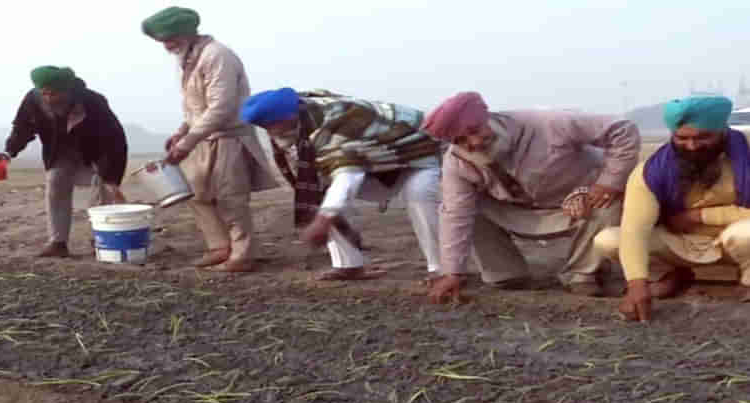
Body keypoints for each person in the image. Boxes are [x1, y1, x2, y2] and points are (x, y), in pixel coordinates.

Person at [425, 92, 641, 303]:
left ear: (486, 117)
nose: (474, 143)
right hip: (517, 211)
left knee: (610, 200)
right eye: (460, 140)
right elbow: (455, 213)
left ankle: (582, 273)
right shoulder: (456, 161)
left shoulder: (549, 123)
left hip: (579, 203)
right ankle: (506, 273)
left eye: (474, 131)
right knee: (468, 208)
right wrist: (452, 273)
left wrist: (607, 183)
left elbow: (622, 129)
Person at [240, 88, 443, 280]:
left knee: (419, 194)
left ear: (287, 118)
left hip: (416, 150)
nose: (268, 132)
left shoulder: (337, 122)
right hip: (369, 157)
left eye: (269, 126)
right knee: (321, 193)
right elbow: (311, 175)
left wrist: (323, 219)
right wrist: (321, 209)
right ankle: (349, 265)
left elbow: (347, 175)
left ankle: (441, 269)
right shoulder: (296, 116)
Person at [142, 6, 279, 272]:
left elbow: (221, 107)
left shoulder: (218, 55)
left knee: (231, 198)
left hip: (229, 137)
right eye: (163, 41)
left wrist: (187, 141)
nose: (167, 46)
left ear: (187, 33)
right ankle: (219, 247)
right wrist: (182, 131)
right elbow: (195, 105)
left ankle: (242, 255)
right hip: (201, 136)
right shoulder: (187, 58)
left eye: (170, 39)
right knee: (197, 194)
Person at [594, 96, 750, 322]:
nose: (692, 146)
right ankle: (669, 276)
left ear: (722, 131)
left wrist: (701, 216)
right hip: (680, 243)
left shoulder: (745, 153)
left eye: (703, 137)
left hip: (735, 242)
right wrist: (636, 284)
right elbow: (634, 230)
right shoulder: (651, 170)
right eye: (682, 138)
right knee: (609, 240)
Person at [0, 66, 128, 258]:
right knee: (55, 182)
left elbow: (114, 141)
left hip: (96, 154)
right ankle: (58, 242)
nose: (48, 98)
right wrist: (8, 152)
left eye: (53, 94)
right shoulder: (33, 100)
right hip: (60, 154)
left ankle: (101, 238)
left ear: (67, 90)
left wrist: (111, 178)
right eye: (44, 93)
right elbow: (22, 128)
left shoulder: (93, 102)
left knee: (103, 187)